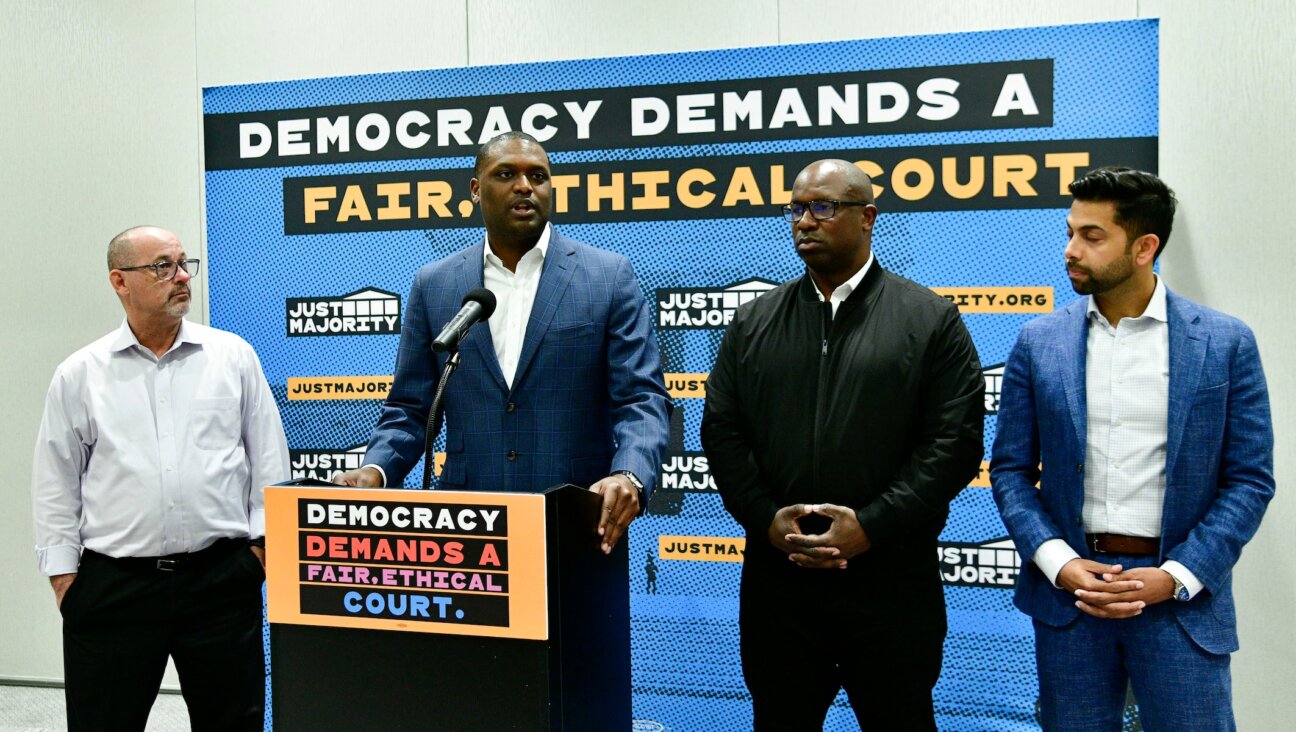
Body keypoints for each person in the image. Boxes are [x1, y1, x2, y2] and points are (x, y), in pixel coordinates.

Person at [701, 159, 985, 730]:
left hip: (890, 588)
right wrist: (765, 518)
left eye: (824, 207)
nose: (806, 221)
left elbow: (952, 445)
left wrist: (871, 527)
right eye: (797, 209)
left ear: (867, 217)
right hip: (780, 588)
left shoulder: (929, 319)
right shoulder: (754, 323)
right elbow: (723, 434)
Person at [990, 167, 1275, 730]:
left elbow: (1249, 479)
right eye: (1070, 232)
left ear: (1145, 247)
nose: (1071, 250)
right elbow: (1010, 471)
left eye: (1092, 237)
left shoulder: (1224, 342)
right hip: (1072, 598)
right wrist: (1060, 563)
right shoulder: (1037, 342)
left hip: (1181, 602)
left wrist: (1176, 575)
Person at [334, 132, 671, 554]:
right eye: (506, 174)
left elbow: (641, 399)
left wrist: (629, 475)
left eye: (539, 176)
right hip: (466, 532)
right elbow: (411, 408)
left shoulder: (607, 277)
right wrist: (376, 470)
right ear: (476, 189)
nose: (525, 186)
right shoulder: (435, 284)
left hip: (578, 524)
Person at [31, 226, 289, 732]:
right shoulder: (80, 373)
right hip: (115, 588)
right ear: (119, 281)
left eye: (182, 263)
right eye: (161, 267)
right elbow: (55, 483)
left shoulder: (232, 357)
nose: (181, 277)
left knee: (233, 723)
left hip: (220, 582)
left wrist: (259, 554)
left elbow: (270, 463)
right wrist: (65, 581)